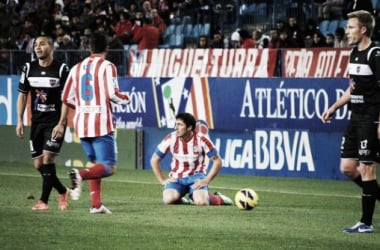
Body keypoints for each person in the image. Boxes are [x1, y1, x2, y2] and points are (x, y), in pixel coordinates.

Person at [52, 31, 130, 214]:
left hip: (81, 123)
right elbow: (113, 94)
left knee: (97, 164)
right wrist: (126, 99)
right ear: (107, 48)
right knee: (109, 167)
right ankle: (80, 175)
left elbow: (65, 97)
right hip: (100, 122)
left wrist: (72, 115)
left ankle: (96, 205)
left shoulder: (76, 68)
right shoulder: (108, 66)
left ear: (89, 47)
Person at [321, 10, 380, 233]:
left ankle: (366, 222)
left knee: (367, 169)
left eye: (351, 27)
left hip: (371, 119)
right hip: (355, 118)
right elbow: (353, 87)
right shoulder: (354, 53)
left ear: (363, 29)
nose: (347, 32)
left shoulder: (376, 54)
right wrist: (335, 106)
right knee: (348, 168)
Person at [15, 35, 71, 211]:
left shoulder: (62, 69)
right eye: (36, 45)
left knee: (48, 158)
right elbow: (23, 95)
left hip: (54, 123)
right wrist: (19, 120)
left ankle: (43, 201)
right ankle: (63, 191)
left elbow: (66, 99)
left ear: (51, 47)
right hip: (37, 123)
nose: (38, 47)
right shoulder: (28, 68)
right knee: (38, 164)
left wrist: (61, 124)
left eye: (42, 44)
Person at [150, 112, 232, 206]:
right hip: (177, 178)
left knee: (202, 202)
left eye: (180, 125)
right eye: (176, 124)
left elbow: (218, 161)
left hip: (196, 177)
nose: (176, 128)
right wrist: (162, 180)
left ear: (189, 127)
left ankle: (219, 198)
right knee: (168, 200)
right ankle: (184, 199)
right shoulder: (171, 138)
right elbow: (154, 159)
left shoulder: (202, 139)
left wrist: (206, 180)